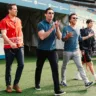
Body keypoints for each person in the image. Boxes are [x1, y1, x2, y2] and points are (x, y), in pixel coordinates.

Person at [35, 7, 66, 96]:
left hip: (52, 50)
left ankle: (57, 90)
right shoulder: (41, 24)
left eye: (52, 13)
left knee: (55, 69)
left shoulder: (54, 24)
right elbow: (42, 37)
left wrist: (57, 28)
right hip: (41, 50)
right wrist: (52, 28)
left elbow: (59, 37)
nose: (51, 15)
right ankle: (37, 84)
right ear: (45, 14)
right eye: (49, 13)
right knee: (39, 68)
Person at [61, 13, 93, 88]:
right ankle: (63, 80)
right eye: (73, 18)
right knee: (64, 66)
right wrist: (67, 36)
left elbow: (80, 39)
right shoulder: (66, 28)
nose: (75, 19)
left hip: (76, 51)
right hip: (67, 51)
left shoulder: (78, 28)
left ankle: (86, 82)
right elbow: (63, 39)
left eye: (76, 18)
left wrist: (88, 36)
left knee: (80, 66)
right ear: (70, 19)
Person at [0, 4, 24, 93]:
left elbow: (21, 32)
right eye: (14, 9)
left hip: (19, 46)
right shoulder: (4, 21)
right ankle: (8, 85)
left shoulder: (18, 20)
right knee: (8, 66)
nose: (16, 11)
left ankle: (16, 84)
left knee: (21, 65)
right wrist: (11, 43)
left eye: (16, 9)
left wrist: (22, 41)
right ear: (9, 10)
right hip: (9, 47)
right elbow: (3, 34)